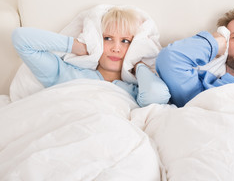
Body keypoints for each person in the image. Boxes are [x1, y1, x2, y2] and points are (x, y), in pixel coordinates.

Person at [12, 7, 171, 107]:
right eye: (107, 38)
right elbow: (21, 38)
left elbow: (157, 95)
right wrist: (78, 47)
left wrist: (137, 64)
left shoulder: (136, 90)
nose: (116, 48)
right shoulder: (66, 74)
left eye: (125, 41)